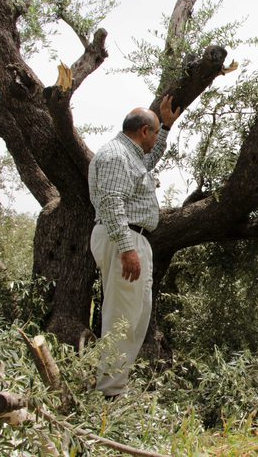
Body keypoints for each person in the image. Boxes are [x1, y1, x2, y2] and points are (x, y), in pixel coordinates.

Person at [88, 94, 181, 398]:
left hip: (131, 238)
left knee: (136, 315)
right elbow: (112, 203)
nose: (155, 141)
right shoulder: (116, 155)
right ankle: (109, 394)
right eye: (154, 134)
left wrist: (166, 126)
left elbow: (149, 162)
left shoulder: (130, 154)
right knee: (122, 317)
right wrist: (127, 248)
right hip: (123, 238)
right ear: (144, 132)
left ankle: (115, 387)